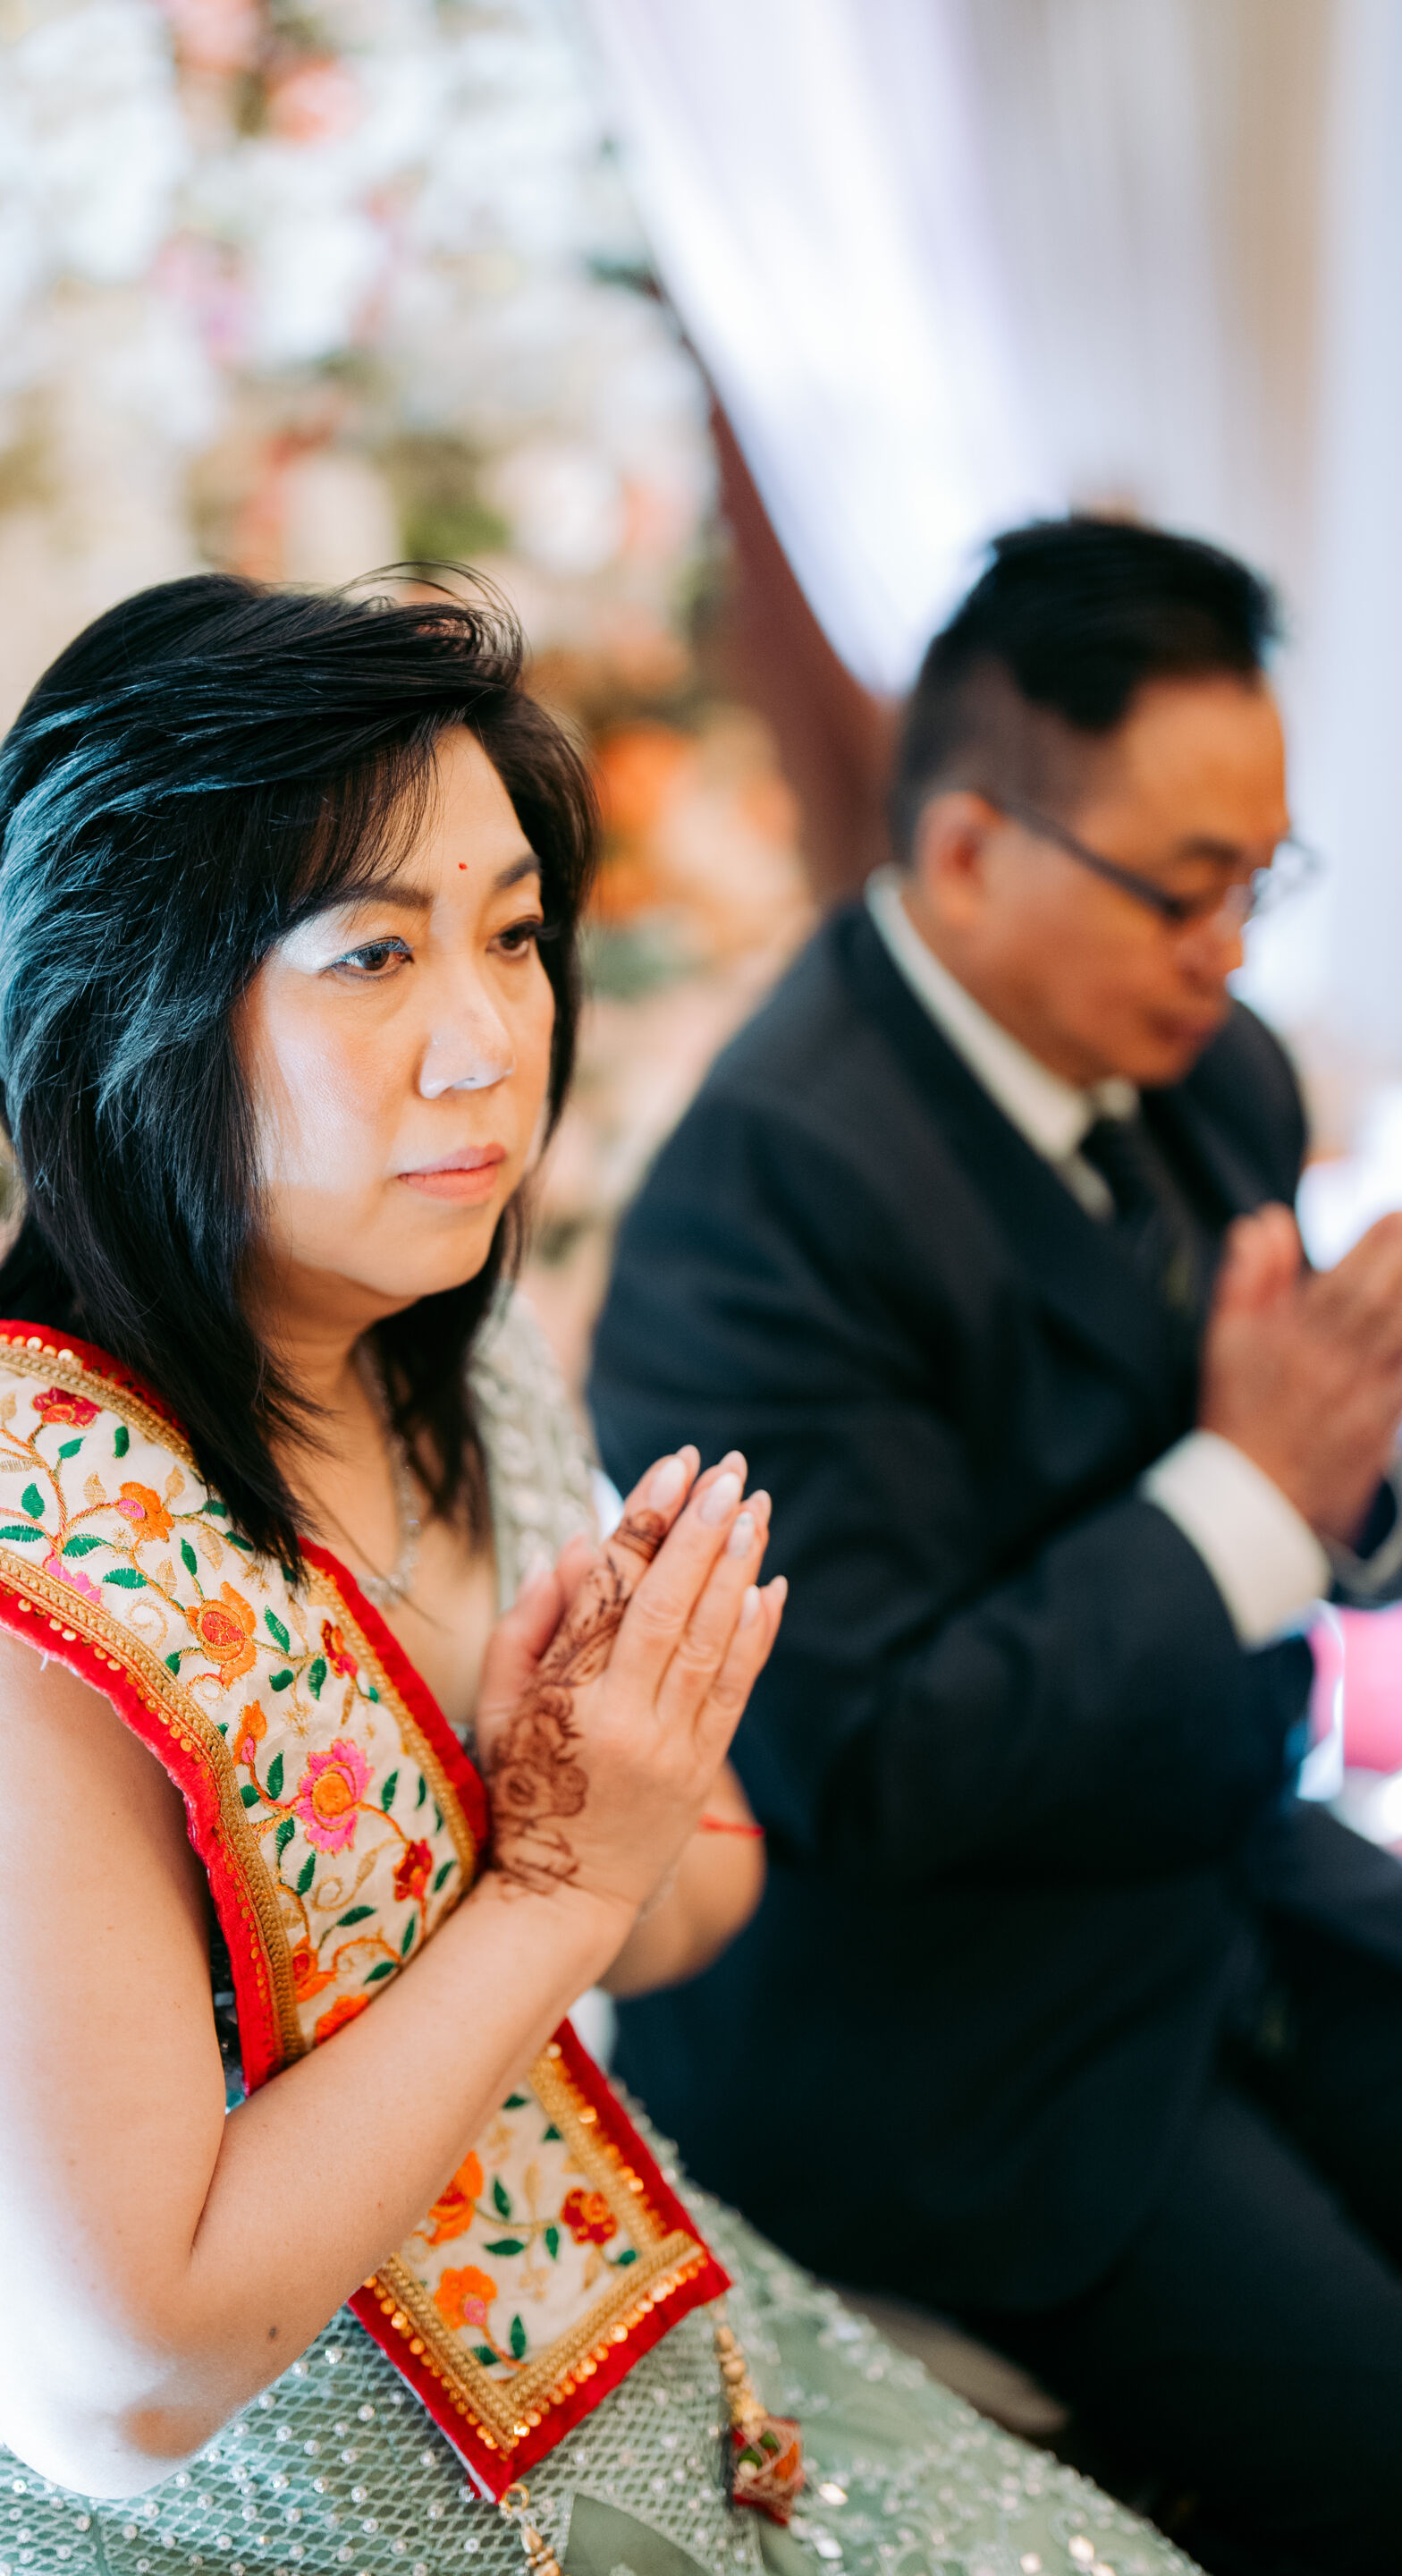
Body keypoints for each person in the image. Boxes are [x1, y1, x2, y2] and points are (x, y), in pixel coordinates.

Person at [0, 574, 1195, 2576]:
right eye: (373, 955)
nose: (490, 1042)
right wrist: (553, 1881)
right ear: (126, 1004)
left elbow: (698, 1894)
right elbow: (115, 2384)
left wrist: (609, 1799)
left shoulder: (435, 1351)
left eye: (511, 935)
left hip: (616, 2360)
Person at [589, 517, 1402, 2576]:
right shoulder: (755, 1209)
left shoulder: (1209, 1067)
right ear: (966, 850)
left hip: (1220, 1877)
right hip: (942, 2024)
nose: (1232, 949)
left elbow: (1295, 1452)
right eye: (1186, 888)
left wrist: (1348, 1458)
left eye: (1264, 880)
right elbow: (862, 1759)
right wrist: (1257, 1491)